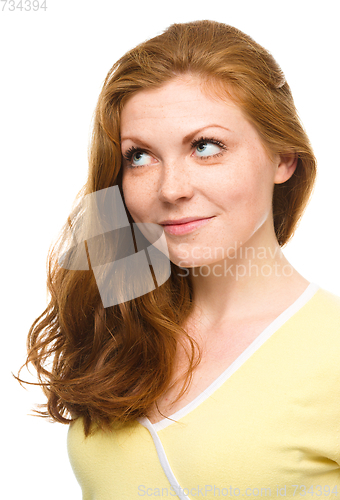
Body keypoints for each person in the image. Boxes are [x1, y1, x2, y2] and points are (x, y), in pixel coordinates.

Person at [17, 19, 340, 500]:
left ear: (283, 158)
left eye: (206, 147)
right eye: (140, 157)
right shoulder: (123, 315)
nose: (171, 190)